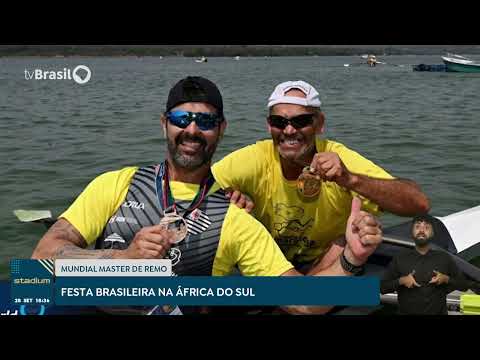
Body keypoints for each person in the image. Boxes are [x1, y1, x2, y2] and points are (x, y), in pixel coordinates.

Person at [31, 76, 383, 315]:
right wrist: (122, 258)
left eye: (207, 122)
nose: (192, 130)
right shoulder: (116, 184)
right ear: (164, 123)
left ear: (222, 130)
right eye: (182, 119)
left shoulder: (233, 218)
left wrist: (351, 258)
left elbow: (303, 304)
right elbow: (39, 261)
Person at [211, 80, 430, 273]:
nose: (288, 131)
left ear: (319, 124)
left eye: (301, 121)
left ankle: (305, 298)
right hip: (270, 259)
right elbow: (184, 190)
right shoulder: (254, 159)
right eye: (279, 122)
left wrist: (350, 179)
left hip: (324, 262)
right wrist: (224, 201)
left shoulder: (339, 156)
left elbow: (418, 203)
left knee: (345, 239)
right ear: (269, 126)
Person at [380, 214, 479, 315]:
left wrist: (446, 279)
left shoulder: (444, 258)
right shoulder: (399, 259)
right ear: (412, 232)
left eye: (426, 227)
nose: (422, 230)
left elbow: (464, 285)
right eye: (417, 227)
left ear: (432, 233)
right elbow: (382, 288)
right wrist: (401, 281)